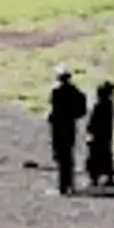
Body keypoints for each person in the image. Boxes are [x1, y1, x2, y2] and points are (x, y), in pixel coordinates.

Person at [43, 67, 84, 199]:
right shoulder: (74, 91)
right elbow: (81, 108)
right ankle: (70, 184)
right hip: (70, 125)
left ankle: (62, 186)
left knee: (60, 156)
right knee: (68, 155)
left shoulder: (56, 91)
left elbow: (52, 108)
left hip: (59, 126)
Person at [86, 76, 114, 189]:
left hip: (98, 135)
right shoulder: (109, 105)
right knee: (106, 154)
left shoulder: (99, 106)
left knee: (94, 157)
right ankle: (108, 175)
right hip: (106, 134)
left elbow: (93, 122)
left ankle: (94, 177)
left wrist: (90, 131)